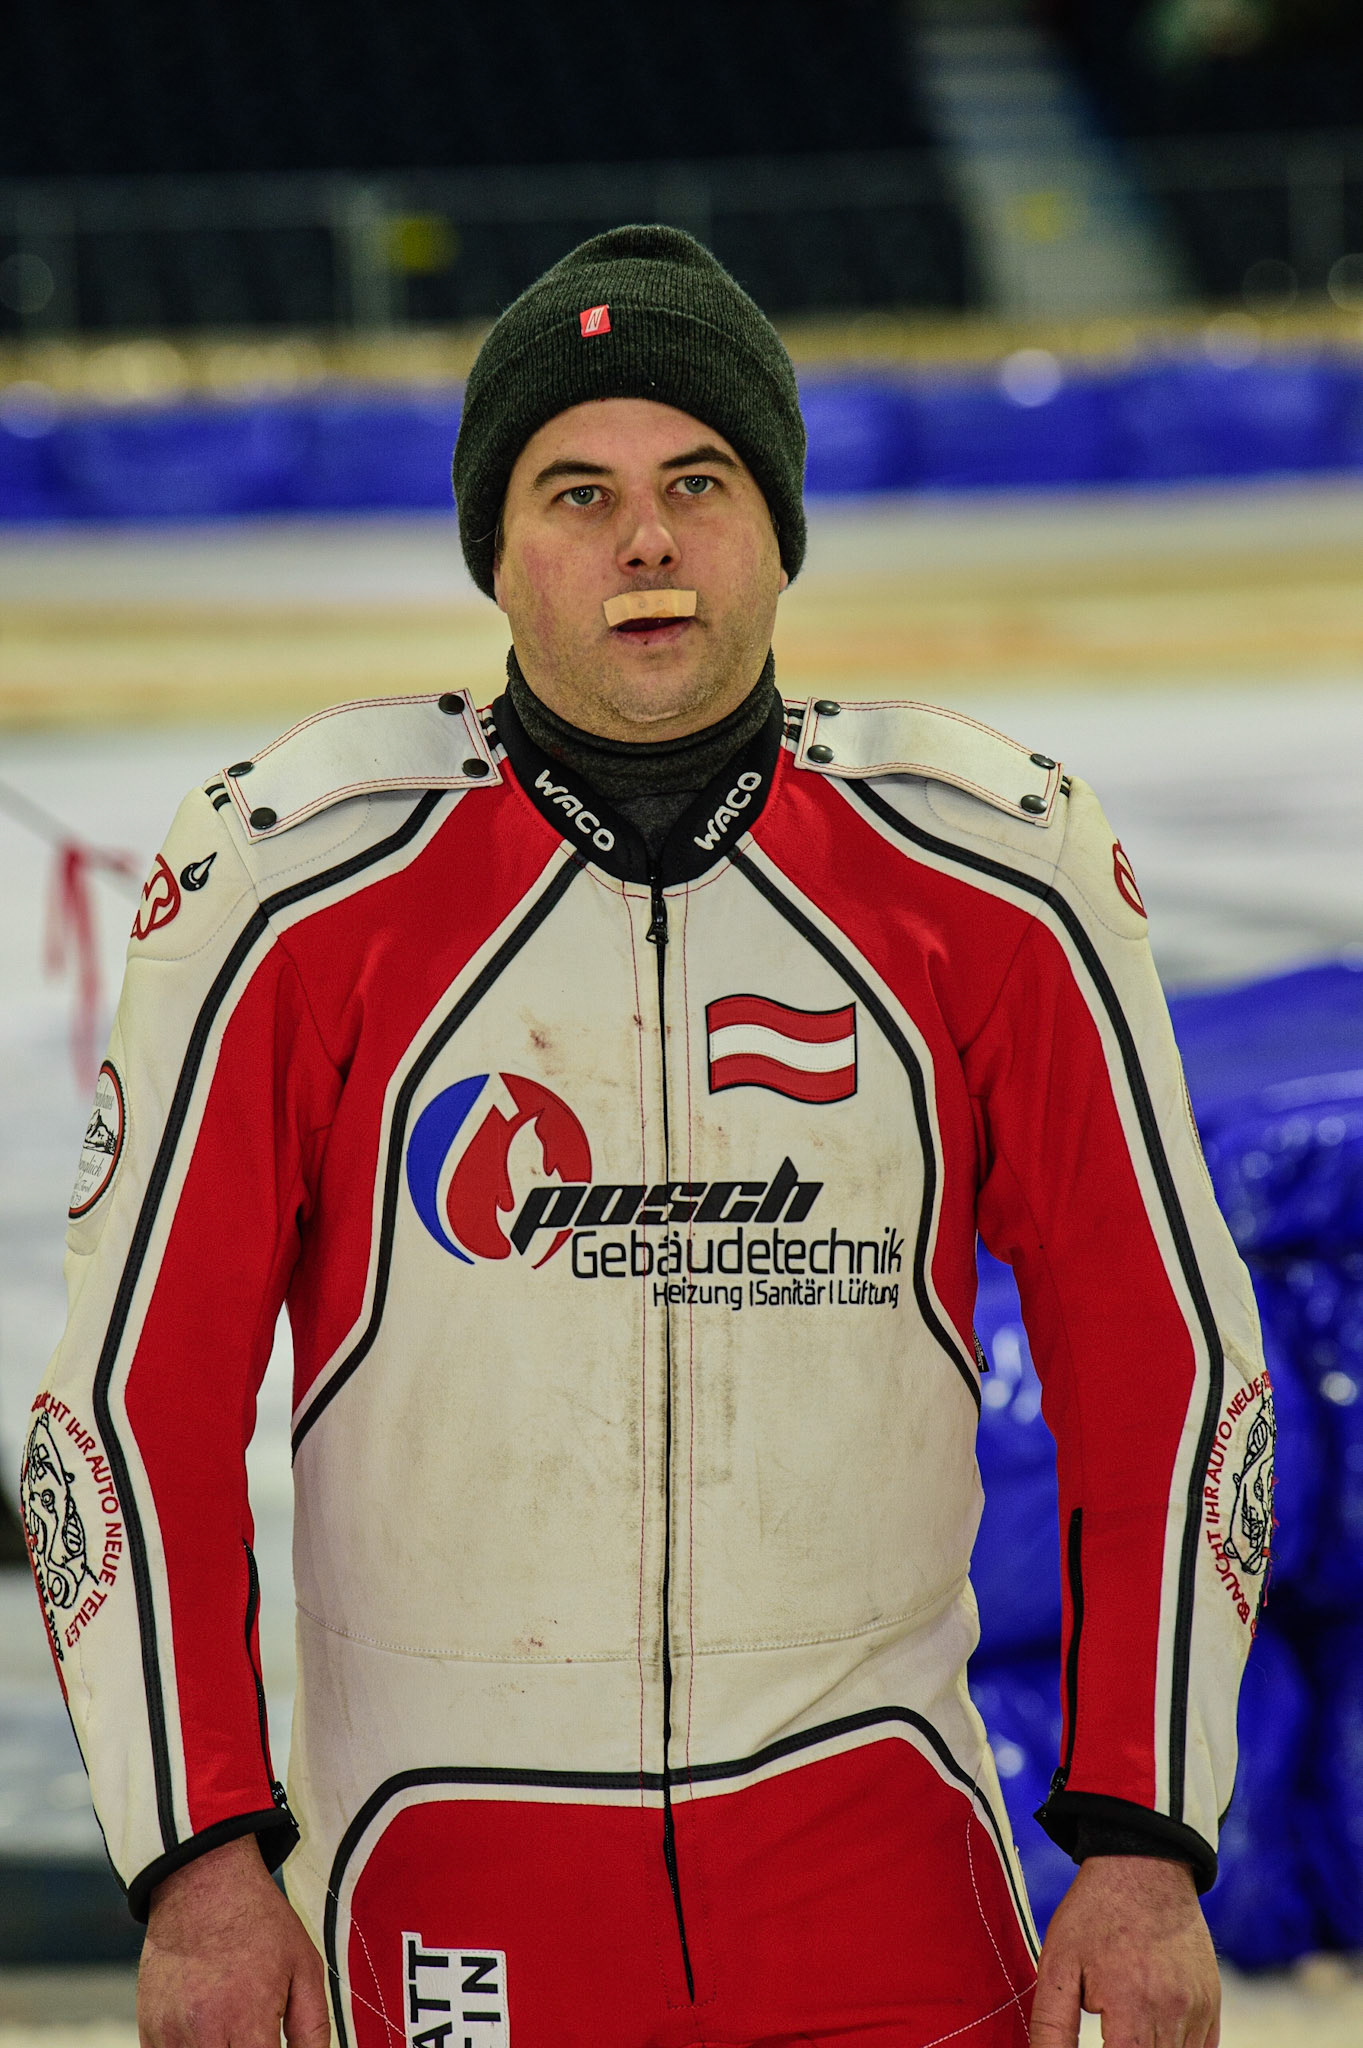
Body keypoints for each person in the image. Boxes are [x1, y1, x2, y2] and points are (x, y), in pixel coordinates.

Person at [22, 227, 1270, 2048]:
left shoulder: (1001, 873)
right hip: (446, 1873)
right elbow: (126, 1408)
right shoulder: (288, 892)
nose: (647, 541)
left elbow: (1173, 1363)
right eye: (576, 491)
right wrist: (201, 1867)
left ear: (775, 525)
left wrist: (1146, 1842)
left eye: (699, 480)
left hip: (884, 1863)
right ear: (497, 552)